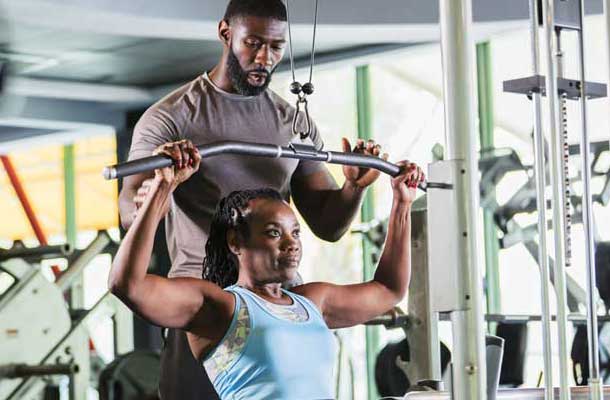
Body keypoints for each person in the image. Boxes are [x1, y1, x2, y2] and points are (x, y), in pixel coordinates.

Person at [118, 0, 385, 398]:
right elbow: (128, 212)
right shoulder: (171, 117)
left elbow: (328, 225)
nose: (265, 58)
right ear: (226, 33)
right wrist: (162, 187)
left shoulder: (291, 122)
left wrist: (354, 188)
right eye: (253, 43)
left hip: (277, 308)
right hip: (204, 309)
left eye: (276, 47)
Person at [109, 141, 423, 400]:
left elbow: (388, 290)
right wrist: (163, 186)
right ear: (235, 241)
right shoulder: (221, 308)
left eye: (295, 232)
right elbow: (128, 285)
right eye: (274, 233)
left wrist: (402, 203)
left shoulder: (312, 303)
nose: (292, 244)